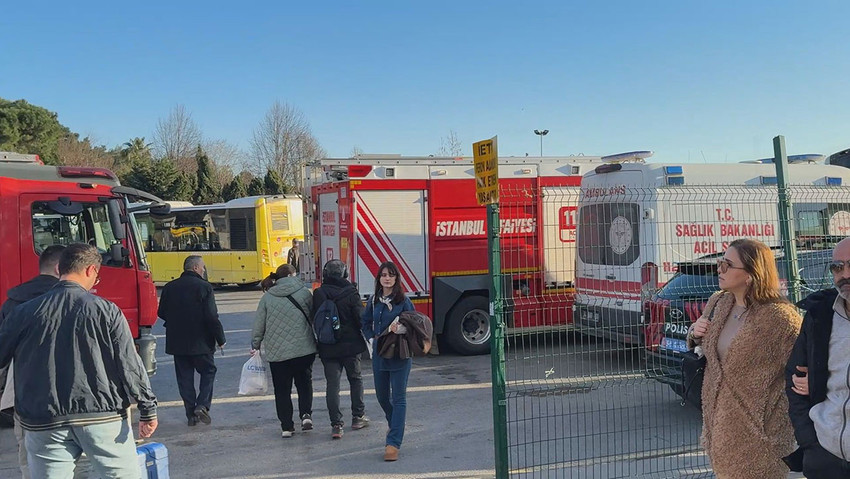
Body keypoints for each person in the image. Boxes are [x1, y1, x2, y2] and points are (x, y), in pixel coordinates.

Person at [0, 243, 158, 478]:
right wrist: (147, 408)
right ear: (90, 270)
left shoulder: (23, 312)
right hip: (101, 416)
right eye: (97, 276)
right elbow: (129, 364)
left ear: (60, 269)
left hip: (44, 420)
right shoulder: (107, 310)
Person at [686, 238, 801, 479]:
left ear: (750, 273)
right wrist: (694, 333)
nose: (719, 269)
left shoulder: (779, 318)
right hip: (719, 430)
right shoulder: (719, 302)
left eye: (727, 265)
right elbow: (709, 350)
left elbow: (805, 364)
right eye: (720, 263)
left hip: (760, 439)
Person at [785, 236, 850, 477]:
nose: (844, 274)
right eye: (837, 267)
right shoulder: (820, 314)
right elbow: (793, 376)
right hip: (825, 454)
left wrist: (817, 382)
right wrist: (809, 441)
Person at [0, 245, 66, 478]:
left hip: (25, 393)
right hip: (70, 397)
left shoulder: (12, 302)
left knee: (30, 457)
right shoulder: (76, 300)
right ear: (59, 268)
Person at [159, 255, 226, 426]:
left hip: (177, 341)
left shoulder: (169, 287)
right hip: (201, 341)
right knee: (208, 371)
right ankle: (202, 405)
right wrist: (220, 338)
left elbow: (161, 312)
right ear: (195, 268)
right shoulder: (204, 287)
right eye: (202, 267)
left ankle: (191, 415)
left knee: (185, 378)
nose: (204, 270)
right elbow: (211, 316)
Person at [251, 264, 317, 438]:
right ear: (291, 275)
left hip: (277, 353)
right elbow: (313, 317)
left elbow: (259, 324)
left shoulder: (267, 297)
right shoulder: (304, 293)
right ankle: (306, 415)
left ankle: (287, 426)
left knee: (282, 390)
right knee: (304, 383)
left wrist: (255, 344)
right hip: (304, 349)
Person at [361, 261, 415, 462]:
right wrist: (371, 338)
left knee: (399, 398)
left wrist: (400, 329)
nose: (387, 278)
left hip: (400, 354)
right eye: (383, 275)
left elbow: (415, 325)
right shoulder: (374, 300)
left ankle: (393, 443)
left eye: (391, 275)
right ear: (379, 278)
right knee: (382, 397)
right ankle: (396, 425)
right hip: (379, 354)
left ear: (396, 278)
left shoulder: (404, 301)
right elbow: (365, 322)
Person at [312, 259, 369, 439]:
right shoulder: (351, 292)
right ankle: (358, 417)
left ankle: (336, 425)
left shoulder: (319, 293)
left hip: (328, 346)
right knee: (355, 379)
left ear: (325, 274)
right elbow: (360, 319)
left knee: (333, 385)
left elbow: (314, 318)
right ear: (345, 274)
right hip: (351, 346)